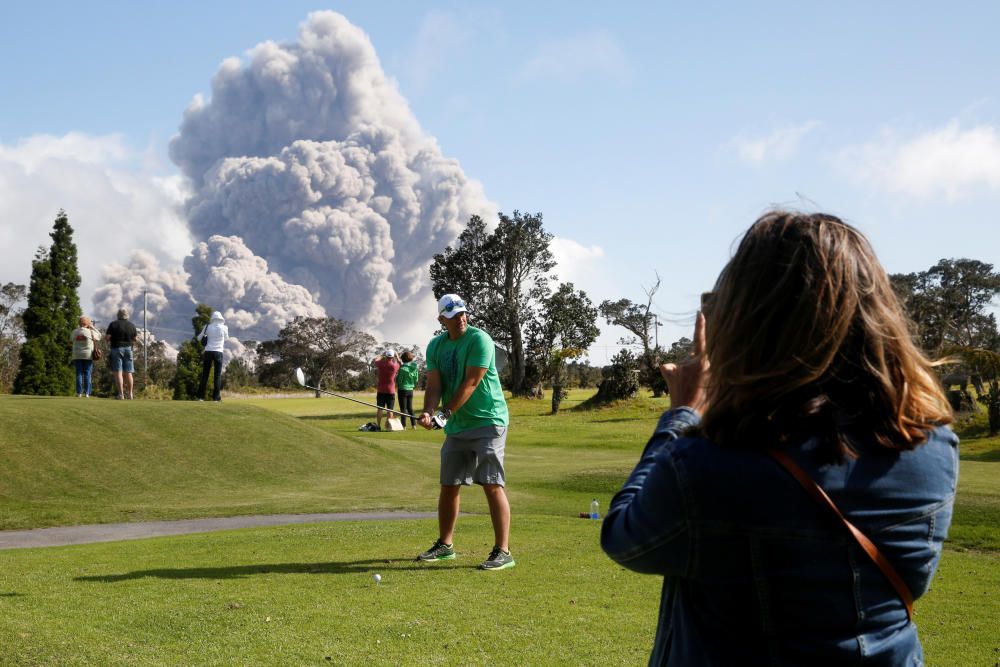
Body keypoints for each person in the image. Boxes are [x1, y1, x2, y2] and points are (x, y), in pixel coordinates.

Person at [601, 211, 957, 665]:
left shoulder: (705, 466)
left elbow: (625, 538)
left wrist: (682, 413)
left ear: (751, 322)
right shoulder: (933, 447)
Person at [415, 294, 514, 571]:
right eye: (453, 315)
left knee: (492, 483)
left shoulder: (479, 339)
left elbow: (471, 382)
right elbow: (434, 385)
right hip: (458, 426)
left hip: (488, 420)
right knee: (449, 484)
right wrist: (428, 412)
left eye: (462, 313)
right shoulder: (435, 346)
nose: (460, 318)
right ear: (441, 319)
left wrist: (444, 415)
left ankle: (503, 551)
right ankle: (445, 545)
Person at [197, 311, 229, 402]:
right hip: (218, 352)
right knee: (217, 375)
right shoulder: (224, 328)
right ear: (221, 319)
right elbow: (226, 338)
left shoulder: (207, 327)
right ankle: (216, 398)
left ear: (213, 318)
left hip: (208, 352)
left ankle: (200, 397)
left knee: (205, 375)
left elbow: (199, 338)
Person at [106, 308, 138, 400]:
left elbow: (107, 337)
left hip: (116, 348)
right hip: (129, 349)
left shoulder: (113, 324)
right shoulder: (132, 325)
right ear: (127, 316)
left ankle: (121, 394)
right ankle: (130, 394)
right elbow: (135, 339)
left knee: (118, 372)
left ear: (118, 315)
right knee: (129, 372)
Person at [70, 315, 102, 398]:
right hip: (88, 355)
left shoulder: (75, 332)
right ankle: (87, 393)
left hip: (77, 355)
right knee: (87, 373)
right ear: (88, 323)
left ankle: (79, 392)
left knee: (79, 373)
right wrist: (92, 327)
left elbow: (71, 339)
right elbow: (99, 336)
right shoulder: (90, 332)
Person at [372, 349, 401, 430]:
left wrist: (382, 354)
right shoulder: (395, 365)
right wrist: (397, 355)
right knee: (390, 410)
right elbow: (400, 362)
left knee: (380, 409)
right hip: (391, 390)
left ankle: (378, 425)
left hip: (381, 389)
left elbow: (376, 360)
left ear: (386, 355)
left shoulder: (381, 363)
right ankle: (389, 427)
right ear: (392, 357)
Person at [397, 350, 420, 429]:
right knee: (410, 408)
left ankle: (403, 426)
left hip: (402, 389)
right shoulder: (415, 368)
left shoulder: (402, 369)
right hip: (410, 390)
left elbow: (399, 381)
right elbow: (416, 380)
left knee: (403, 409)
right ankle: (414, 425)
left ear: (403, 359)